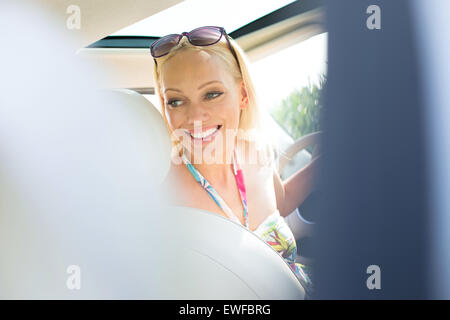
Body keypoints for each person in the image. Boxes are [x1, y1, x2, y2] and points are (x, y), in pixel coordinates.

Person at [151, 26, 319, 297]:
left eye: (211, 94)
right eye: (176, 101)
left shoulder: (257, 152)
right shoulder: (161, 189)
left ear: (243, 95)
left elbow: (281, 200)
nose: (195, 116)